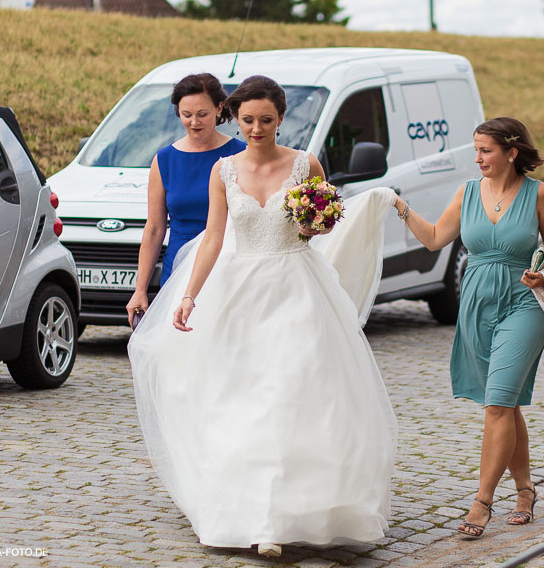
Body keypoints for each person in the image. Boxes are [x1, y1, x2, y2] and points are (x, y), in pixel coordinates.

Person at [128, 75, 396, 557]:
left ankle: (299, 510)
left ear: (281, 118)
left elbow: (322, 224)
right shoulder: (223, 171)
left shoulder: (304, 163)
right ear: (237, 116)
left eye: (266, 121)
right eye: (248, 120)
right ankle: (256, 516)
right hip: (239, 293)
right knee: (243, 400)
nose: (256, 129)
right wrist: (189, 294)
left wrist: (319, 220)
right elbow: (212, 237)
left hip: (297, 290)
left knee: (292, 393)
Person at [392, 116, 544, 539]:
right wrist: (399, 207)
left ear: (511, 152)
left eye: (485, 150)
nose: (478, 158)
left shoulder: (538, 194)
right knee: (505, 404)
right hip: (477, 305)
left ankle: (482, 501)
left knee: (497, 405)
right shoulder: (467, 192)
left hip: (524, 303)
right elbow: (434, 239)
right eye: (476, 150)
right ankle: (525, 491)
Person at [125, 73, 245, 327]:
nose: (193, 122)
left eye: (202, 114)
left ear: (218, 108)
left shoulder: (241, 155)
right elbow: (155, 228)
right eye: (186, 114)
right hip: (178, 269)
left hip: (230, 266)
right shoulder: (165, 159)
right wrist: (140, 289)